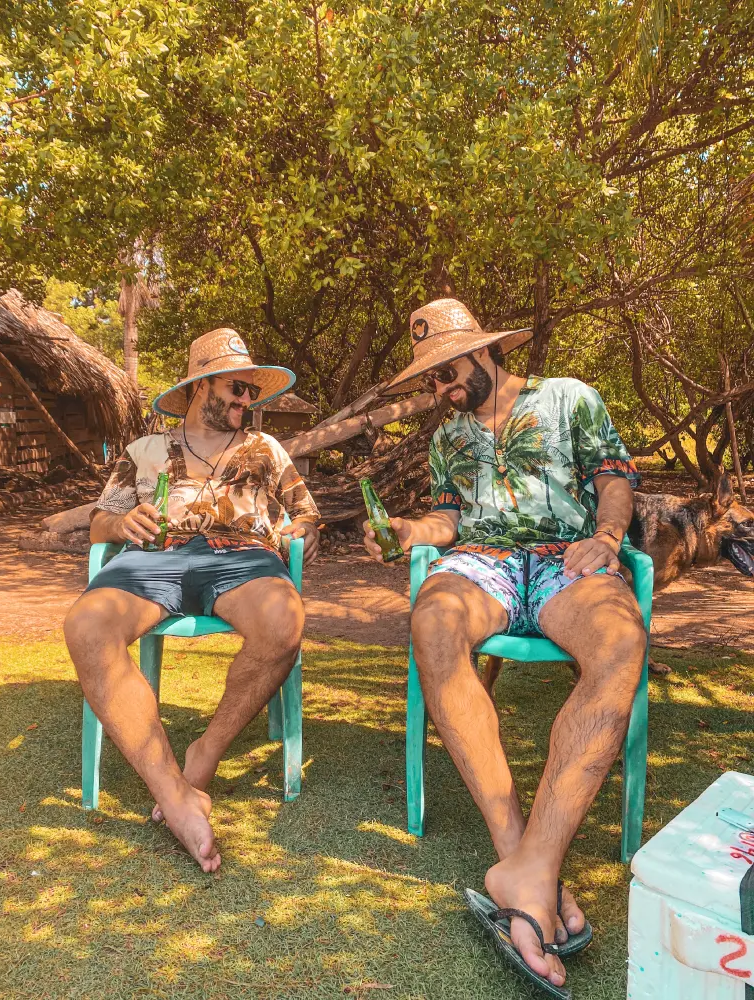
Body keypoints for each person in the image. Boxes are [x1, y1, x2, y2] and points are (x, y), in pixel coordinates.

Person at [362, 298, 646, 992]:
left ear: (484, 351)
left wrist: (607, 538)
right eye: (430, 379)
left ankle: (530, 871)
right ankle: (519, 855)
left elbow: (615, 478)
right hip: (481, 564)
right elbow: (448, 519)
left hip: (564, 557)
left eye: (447, 371)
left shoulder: (568, 398)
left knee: (620, 642)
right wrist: (408, 532)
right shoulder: (447, 437)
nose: (441, 388)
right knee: (432, 623)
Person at [65, 328, 320, 873]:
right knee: (87, 626)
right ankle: (175, 794)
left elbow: (305, 513)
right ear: (202, 385)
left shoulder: (266, 449)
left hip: (242, 557)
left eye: (252, 391)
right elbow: (99, 521)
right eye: (236, 388)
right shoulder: (147, 450)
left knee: (283, 622)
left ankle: (204, 754)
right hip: (156, 555)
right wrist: (121, 523)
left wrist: (302, 531)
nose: (246, 400)